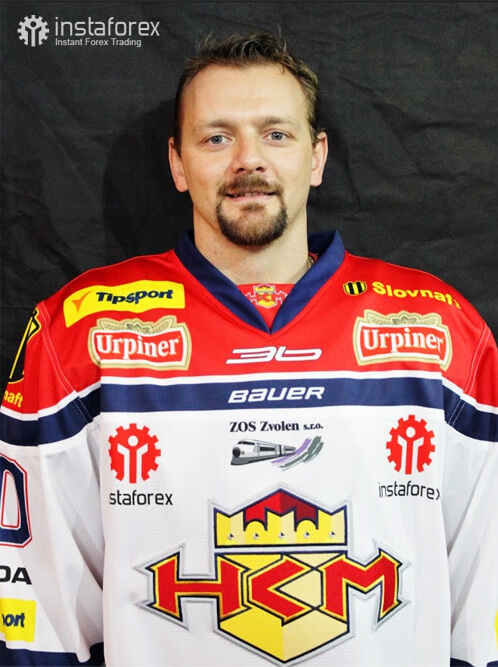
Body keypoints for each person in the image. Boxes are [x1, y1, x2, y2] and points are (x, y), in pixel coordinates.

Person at [0, 32, 496, 667]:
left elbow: (484, 599)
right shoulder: (79, 331)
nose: (248, 160)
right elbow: (37, 611)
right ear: (178, 164)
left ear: (316, 157)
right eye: (216, 138)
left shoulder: (438, 329)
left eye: (276, 134)